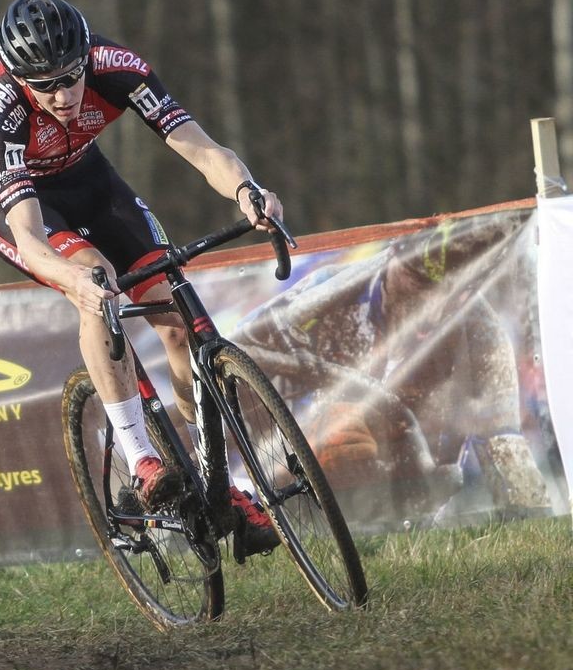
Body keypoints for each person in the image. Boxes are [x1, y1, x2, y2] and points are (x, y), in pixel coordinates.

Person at [0, 0, 281, 551]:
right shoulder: (1, 111)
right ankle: (140, 458)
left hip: (88, 178)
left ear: (86, 57)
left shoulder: (117, 68)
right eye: (45, 86)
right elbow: (33, 240)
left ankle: (219, 483)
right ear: (20, 80)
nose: (62, 96)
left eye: (70, 78)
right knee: (96, 277)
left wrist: (246, 191)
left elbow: (202, 148)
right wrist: (76, 282)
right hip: (16, 207)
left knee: (178, 319)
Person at [232, 214, 554, 528]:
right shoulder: (327, 291)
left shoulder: (482, 333)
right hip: (308, 486)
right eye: (417, 283)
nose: (432, 306)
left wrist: (531, 520)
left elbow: (506, 449)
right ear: (393, 257)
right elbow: (235, 357)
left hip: (413, 506)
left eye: (453, 292)